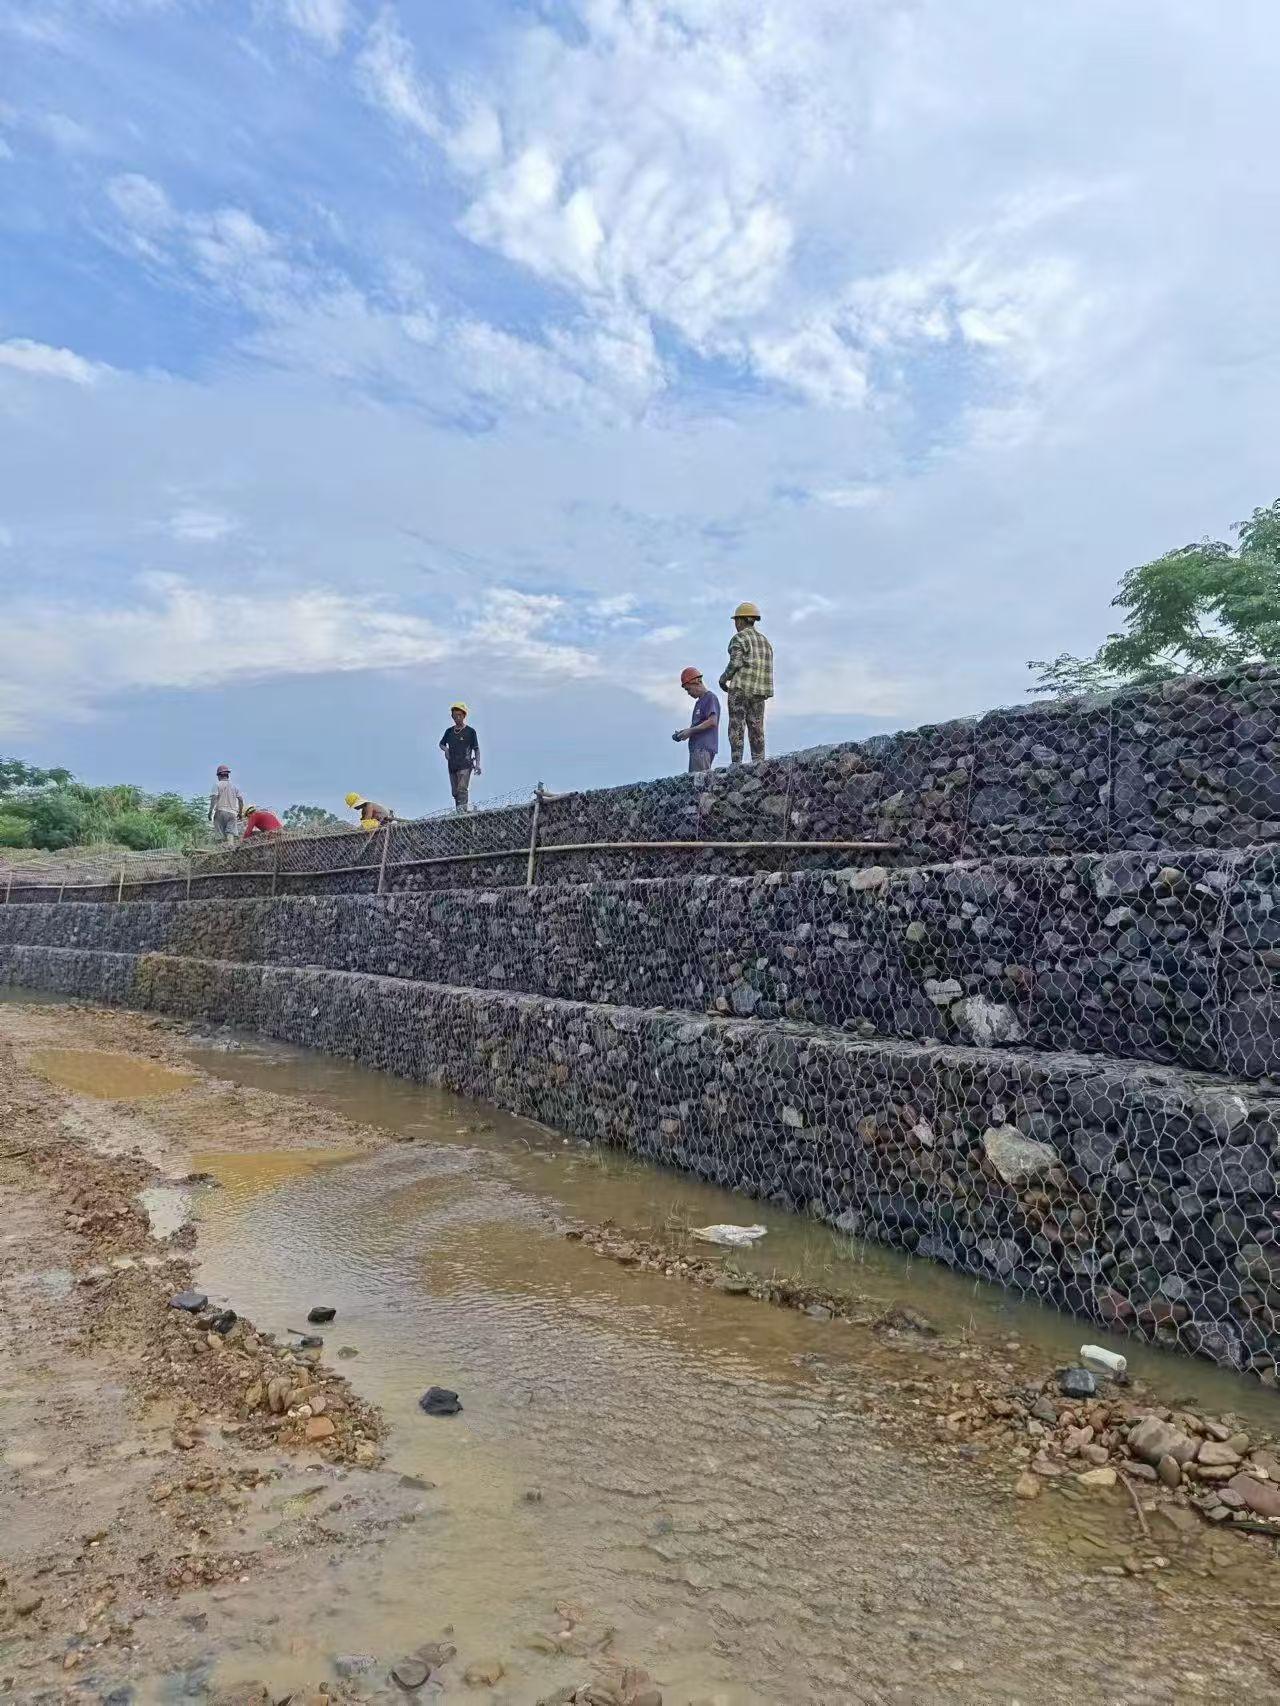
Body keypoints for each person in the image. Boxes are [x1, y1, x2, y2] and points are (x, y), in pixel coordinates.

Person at [718, 600, 774, 765]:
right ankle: (759, 763)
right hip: (759, 692)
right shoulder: (765, 642)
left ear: (741, 620)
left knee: (736, 726)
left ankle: (736, 764)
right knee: (757, 728)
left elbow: (735, 662)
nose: (735, 624)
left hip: (740, 689)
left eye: (736, 620)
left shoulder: (739, 638)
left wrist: (723, 679)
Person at [671, 667, 720, 772]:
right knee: (696, 779)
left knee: (699, 780)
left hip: (703, 748)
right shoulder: (699, 702)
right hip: (697, 749)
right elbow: (698, 725)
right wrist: (684, 732)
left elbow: (712, 721)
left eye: (688, 689)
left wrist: (690, 731)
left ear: (697, 682)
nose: (688, 693)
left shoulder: (710, 698)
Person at [438, 701, 481, 813]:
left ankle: (463, 812)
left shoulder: (470, 732)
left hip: (465, 765)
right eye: (454, 715)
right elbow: (441, 744)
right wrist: (446, 750)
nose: (457, 717)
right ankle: (459, 812)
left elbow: (476, 748)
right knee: (455, 792)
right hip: (452, 765)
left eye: (459, 715)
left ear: (464, 716)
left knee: (462, 788)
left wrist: (478, 765)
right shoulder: (449, 732)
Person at [208, 765, 244, 841]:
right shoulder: (234, 786)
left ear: (219, 775)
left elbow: (214, 798)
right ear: (228, 775)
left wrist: (210, 812)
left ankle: (221, 847)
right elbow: (241, 800)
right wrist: (240, 813)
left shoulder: (217, 785)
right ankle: (230, 847)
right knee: (230, 833)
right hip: (232, 813)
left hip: (220, 812)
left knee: (220, 836)